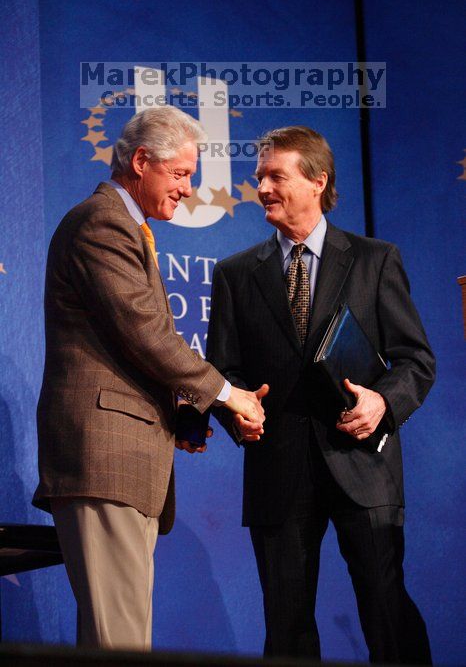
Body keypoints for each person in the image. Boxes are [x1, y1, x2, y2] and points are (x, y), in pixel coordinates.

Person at [32, 106, 265, 651]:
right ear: (141, 160)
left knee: (121, 638)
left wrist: (181, 412)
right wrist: (228, 395)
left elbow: (130, 346)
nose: (187, 190)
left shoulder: (128, 226)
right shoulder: (102, 221)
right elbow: (143, 332)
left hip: (128, 462)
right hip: (105, 458)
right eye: (181, 174)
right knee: (120, 644)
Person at [206, 126, 435, 663]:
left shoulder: (375, 259)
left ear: (317, 181)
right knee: (286, 630)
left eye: (276, 175)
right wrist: (235, 414)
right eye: (259, 176)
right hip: (277, 470)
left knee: (386, 612)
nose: (262, 186)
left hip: (363, 464)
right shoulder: (236, 274)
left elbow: (416, 360)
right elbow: (223, 371)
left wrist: (382, 402)